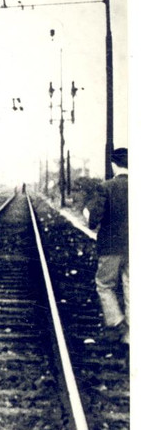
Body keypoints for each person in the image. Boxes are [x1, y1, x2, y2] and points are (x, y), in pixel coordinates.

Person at [86, 147, 129, 346]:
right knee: (131, 286)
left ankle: (117, 322)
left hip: (111, 247)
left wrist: (87, 213)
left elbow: (93, 220)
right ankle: (132, 332)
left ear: (114, 165)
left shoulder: (106, 187)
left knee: (105, 284)